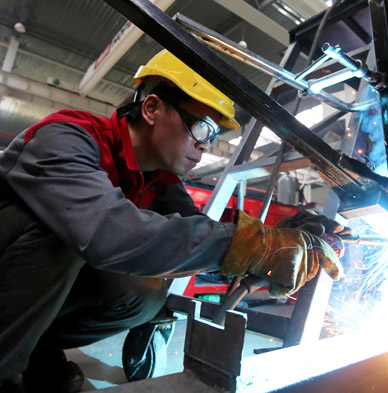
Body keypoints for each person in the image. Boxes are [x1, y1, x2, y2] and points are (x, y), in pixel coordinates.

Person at [0, 49, 345, 393]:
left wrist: (279, 241)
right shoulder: (67, 137)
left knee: (144, 294)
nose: (205, 146)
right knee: (59, 233)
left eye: (213, 138)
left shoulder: (160, 180)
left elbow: (204, 240)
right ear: (151, 108)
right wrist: (252, 244)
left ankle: (36, 348)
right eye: (203, 127)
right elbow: (107, 233)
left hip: (27, 291)